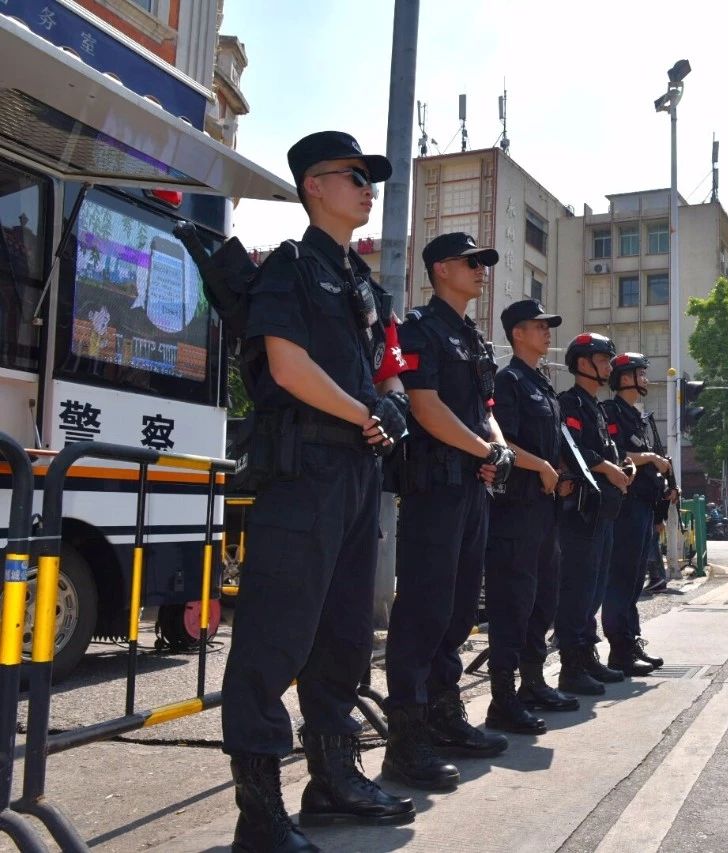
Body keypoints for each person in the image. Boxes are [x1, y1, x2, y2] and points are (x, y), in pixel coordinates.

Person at [220, 131, 414, 851]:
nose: (369, 189)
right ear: (314, 187)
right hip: (302, 475)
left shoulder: (365, 283)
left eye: (372, 179)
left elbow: (386, 369)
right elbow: (287, 364)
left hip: (358, 474)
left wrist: (388, 403)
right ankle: (258, 812)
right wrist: (367, 410)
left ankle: (333, 777)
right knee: (273, 638)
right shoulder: (292, 268)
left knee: (342, 636)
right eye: (355, 176)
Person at [382, 232, 516, 788]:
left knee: (460, 610)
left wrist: (499, 449)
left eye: (485, 262)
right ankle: (405, 741)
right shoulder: (419, 328)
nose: (482, 270)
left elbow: (485, 410)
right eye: (472, 262)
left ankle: (443, 716)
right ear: (441, 269)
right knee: (423, 612)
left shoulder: (471, 337)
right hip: (434, 487)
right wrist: (487, 450)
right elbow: (424, 407)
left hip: (470, 486)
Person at [482, 299, 580, 736]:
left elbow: (554, 448)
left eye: (547, 325)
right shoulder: (509, 383)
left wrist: (560, 475)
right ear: (517, 333)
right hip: (515, 510)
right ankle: (502, 698)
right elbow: (500, 442)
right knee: (513, 603)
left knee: (544, 599)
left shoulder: (541, 384)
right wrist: (540, 466)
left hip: (545, 510)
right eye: (539, 326)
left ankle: (533, 683)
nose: (546, 332)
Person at [555, 333, 634, 695]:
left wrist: (623, 466)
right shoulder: (569, 403)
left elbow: (603, 450)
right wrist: (605, 467)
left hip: (603, 512)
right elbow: (571, 449)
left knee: (595, 589)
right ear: (583, 363)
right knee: (577, 589)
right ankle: (571, 666)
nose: (607, 367)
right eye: (601, 360)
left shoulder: (597, 409)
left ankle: (587, 657)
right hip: (580, 513)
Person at [601, 353, 674, 676]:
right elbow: (614, 452)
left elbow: (657, 457)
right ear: (622, 378)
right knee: (620, 580)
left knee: (634, 582)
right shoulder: (610, 412)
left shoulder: (641, 418)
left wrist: (667, 484)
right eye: (638, 373)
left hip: (645, 505)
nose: (644, 378)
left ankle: (630, 642)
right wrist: (649, 458)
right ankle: (619, 649)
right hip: (625, 507)